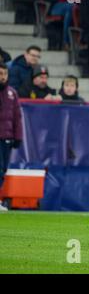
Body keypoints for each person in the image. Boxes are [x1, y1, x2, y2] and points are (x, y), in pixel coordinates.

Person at [0, 63, 23, 211]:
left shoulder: (12, 93)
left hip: (6, 137)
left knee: (2, 170)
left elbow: (17, 117)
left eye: (4, 74)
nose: (2, 77)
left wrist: (18, 137)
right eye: (0, 73)